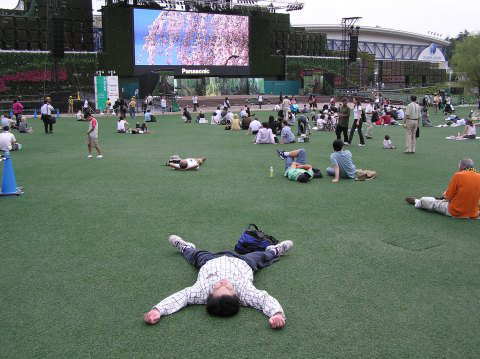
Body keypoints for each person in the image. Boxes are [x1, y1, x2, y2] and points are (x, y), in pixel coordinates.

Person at [144, 235, 293, 329]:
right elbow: (264, 300)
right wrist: (277, 314)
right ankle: (275, 250)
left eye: (217, 287)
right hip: (243, 262)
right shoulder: (246, 294)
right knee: (261, 256)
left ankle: (185, 247)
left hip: (209, 261)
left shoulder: (201, 292)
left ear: (209, 295)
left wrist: (158, 310)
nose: (223, 282)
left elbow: (180, 297)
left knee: (194, 254)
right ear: (236, 295)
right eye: (227, 287)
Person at [405, 159, 480, 219]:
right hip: (473, 212)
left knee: (429, 202)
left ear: (462, 166)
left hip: (456, 211)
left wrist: (444, 196)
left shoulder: (459, 175)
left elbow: (448, 196)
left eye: (459, 166)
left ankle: (417, 201)